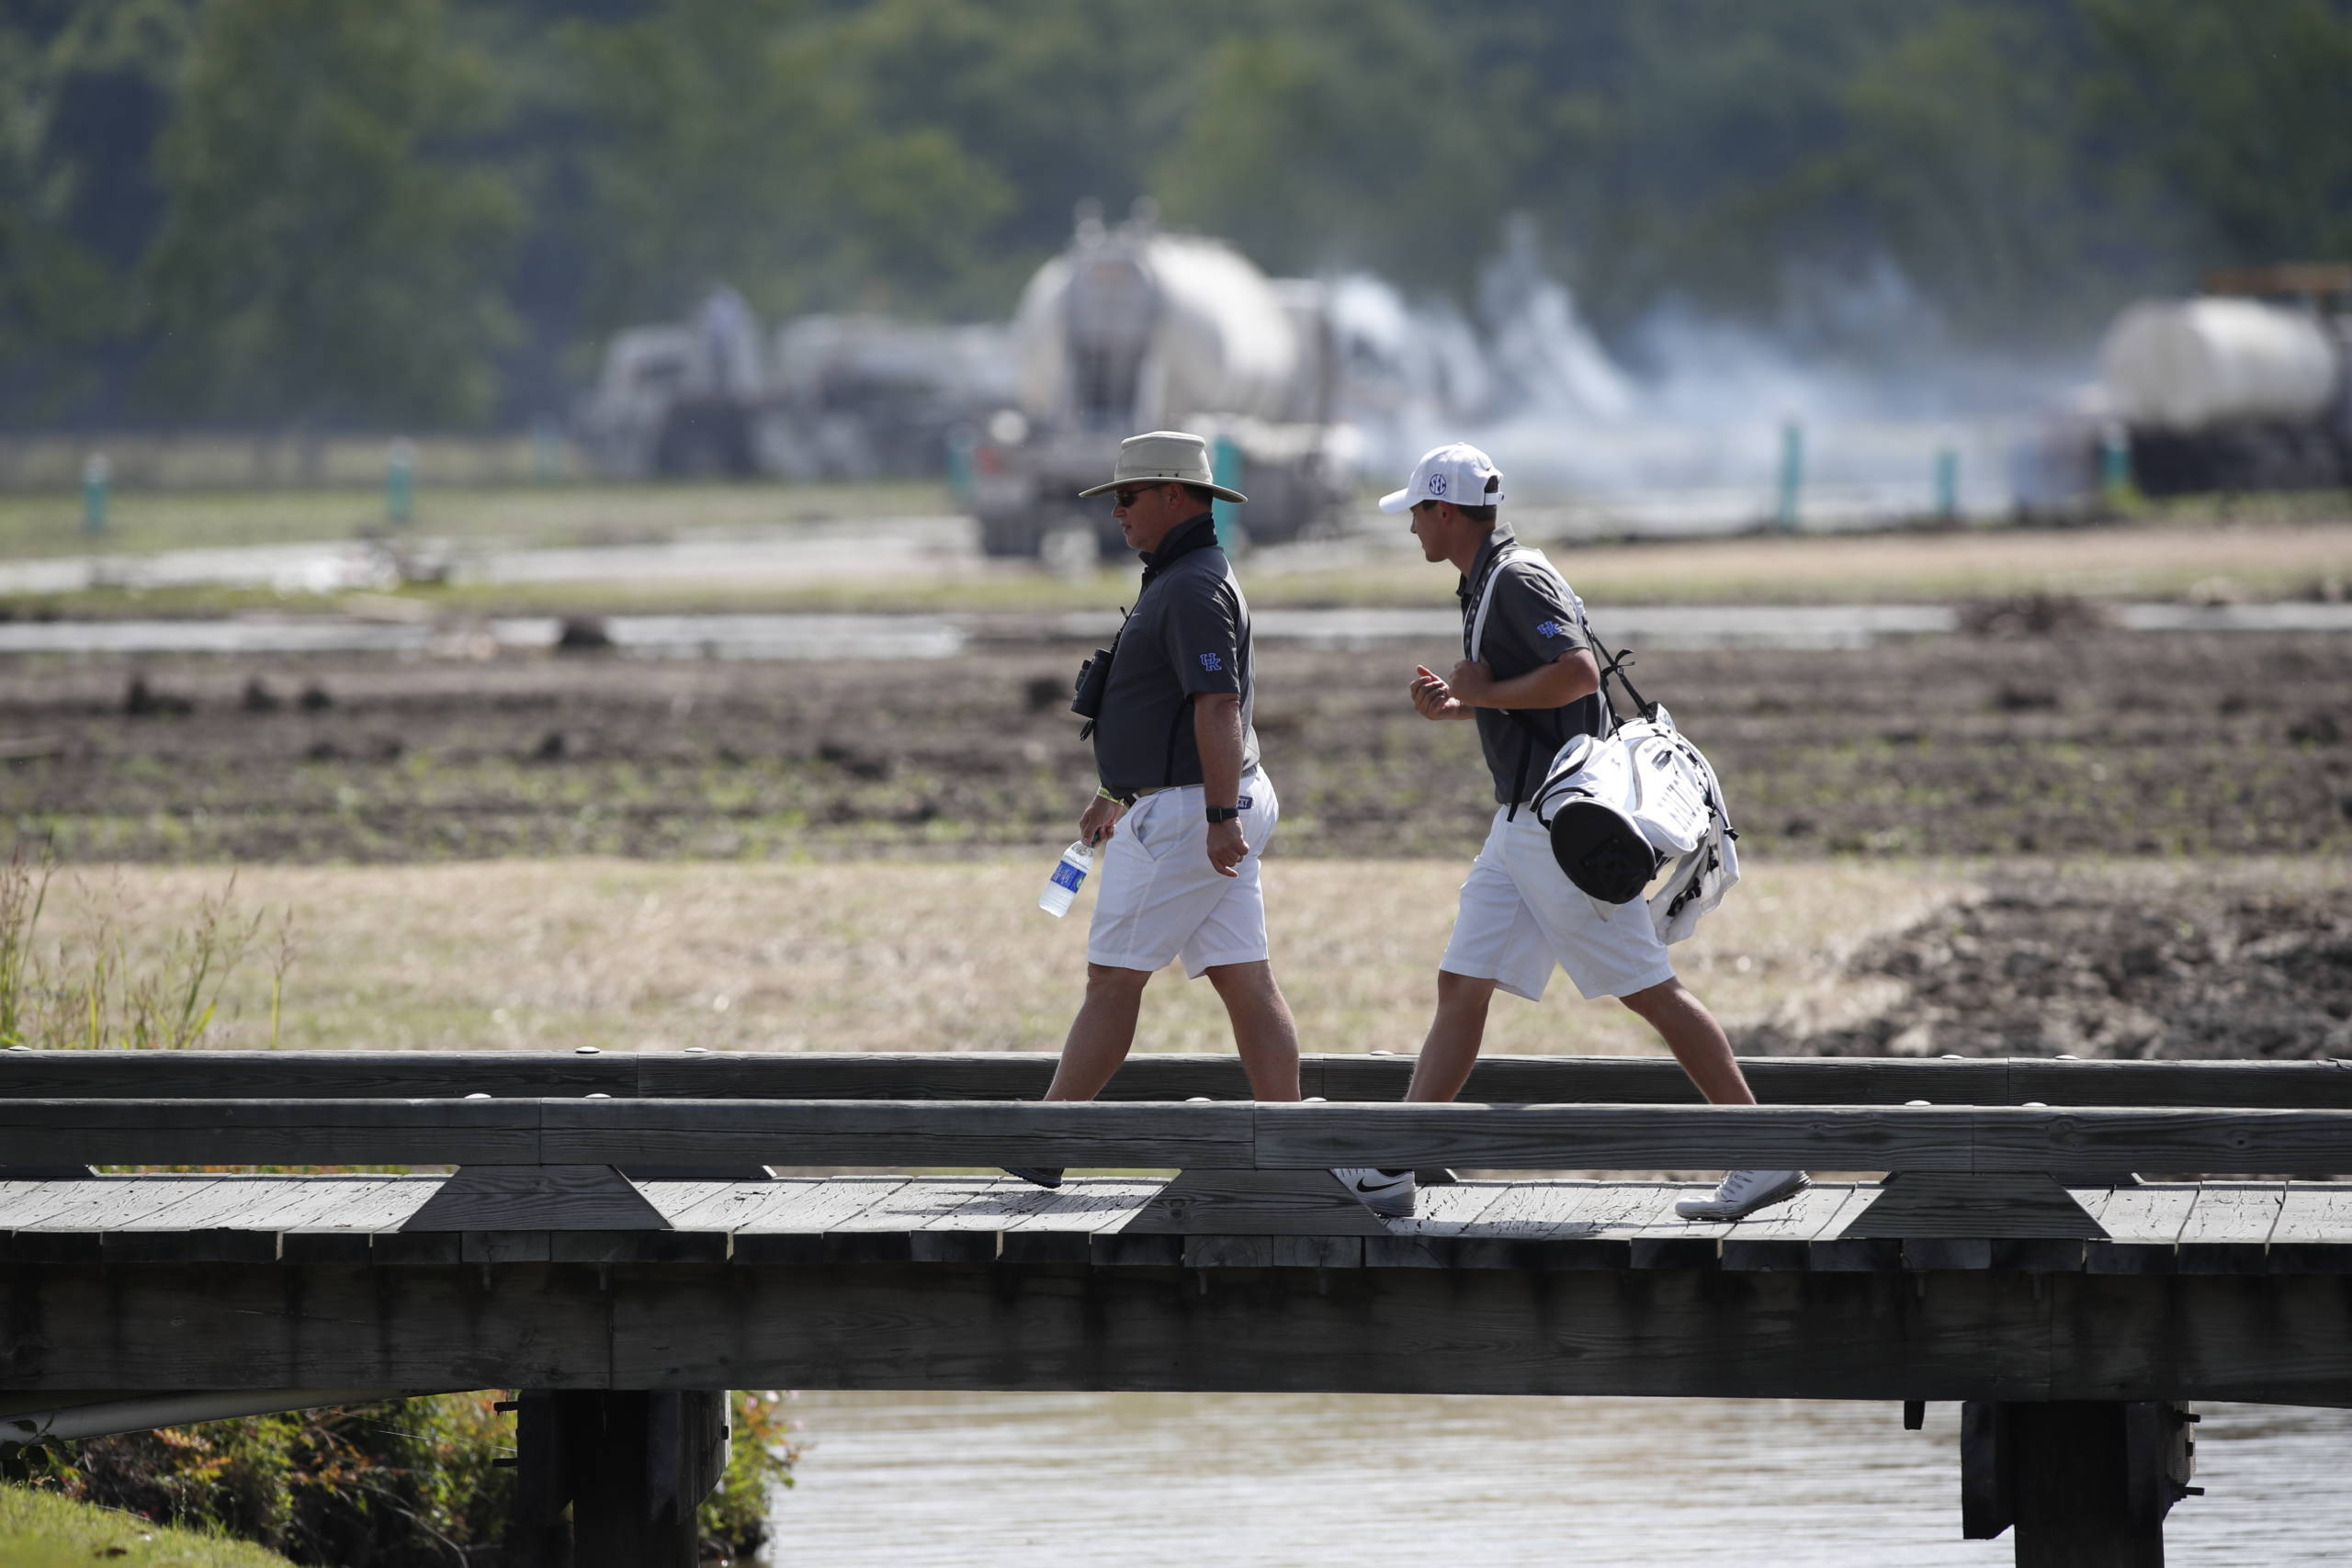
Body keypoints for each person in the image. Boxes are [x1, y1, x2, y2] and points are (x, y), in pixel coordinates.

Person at [1334, 443, 1805, 1223]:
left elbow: (1579, 675)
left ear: (1446, 511)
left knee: (1651, 990)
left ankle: (1761, 1149)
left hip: (1558, 828)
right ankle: (1392, 1164)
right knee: (1462, 983)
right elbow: (1540, 696)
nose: (1411, 524)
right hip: (1518, 821)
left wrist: (1485, 688)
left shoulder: (1513, 579)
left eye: (1417, 510)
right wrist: (1467, 705)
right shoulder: (1488, 577)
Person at [1006, 431, 1300, 1188]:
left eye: (1127, 497)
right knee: (1245, 978)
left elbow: (1216, 704)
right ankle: (1298, 1140)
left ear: (1177, 495)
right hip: (1197, 802)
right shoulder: (1182, 575)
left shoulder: (1193, 586)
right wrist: (1114, 791)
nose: (1117, 514)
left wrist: (1217, 814)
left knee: (1112, 979)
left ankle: (1048, 1138)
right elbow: (1168, 708)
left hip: (1190, 812)